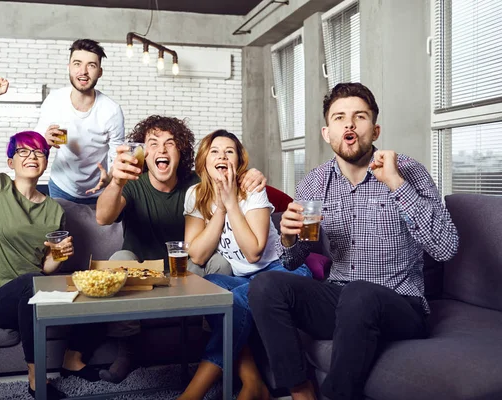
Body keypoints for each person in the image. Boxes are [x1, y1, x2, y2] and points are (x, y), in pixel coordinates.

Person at [248, 83, 460, 400]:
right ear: (327, 132)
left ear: (374, 130)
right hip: (339, 299)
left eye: (359, 117)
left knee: (359, 294)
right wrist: (290, 238)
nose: (349, 124)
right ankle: (301, 390)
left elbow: (446, 247)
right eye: (339, 118)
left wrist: (396, 185)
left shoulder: (407, 171)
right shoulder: (314, 183)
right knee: (265, 285)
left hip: (402, 306)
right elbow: (293, 261)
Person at [94, 116, 267, 383]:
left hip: (187, 268)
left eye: (170, 144)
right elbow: (103, 218)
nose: (161, 150)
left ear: (181, 151)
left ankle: (215, 346)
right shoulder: (132, 181)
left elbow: (229, 175)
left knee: (220, 264)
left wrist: (251, 174)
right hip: (143, 272)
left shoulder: (195, 183)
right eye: (153, 143)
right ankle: (127, 349)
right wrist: (115, 183)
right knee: (118, 259)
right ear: (144, 153)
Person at [0, 74, 104, 400]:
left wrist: (58, 255)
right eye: (23, 152)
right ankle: (36, 381)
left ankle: (74, 358)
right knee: (30, 283)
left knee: (95, 283)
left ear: (45, 162)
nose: (31, 156)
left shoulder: (54, 210)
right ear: (10, 162)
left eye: (39, 152)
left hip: (36, 291)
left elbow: (47, 267)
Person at [177, 130, 312, 400]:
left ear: (239, 161)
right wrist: (221, 209)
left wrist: (231, 202)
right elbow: (198, 256)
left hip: (281, 272)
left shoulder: (253, 191)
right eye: (215, 151)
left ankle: (193, 394)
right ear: (204, 160)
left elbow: (253, 252)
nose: (222, 156)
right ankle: (254, 384)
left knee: (235, 299)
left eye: (230, 151)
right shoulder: (196, 194)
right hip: (246, 281)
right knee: (210, 289)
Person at [35, 39, 125, 204]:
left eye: (91, 65)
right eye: (77, 63)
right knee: (61, 230)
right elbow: (36, 145)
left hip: (98, 190)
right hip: (60, 186)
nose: (83, 71)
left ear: (100, 72)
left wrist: (110, 178)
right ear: (68, 67)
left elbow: (116, 156)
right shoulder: (54, 100)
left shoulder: (111, 111)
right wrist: (44, 141)